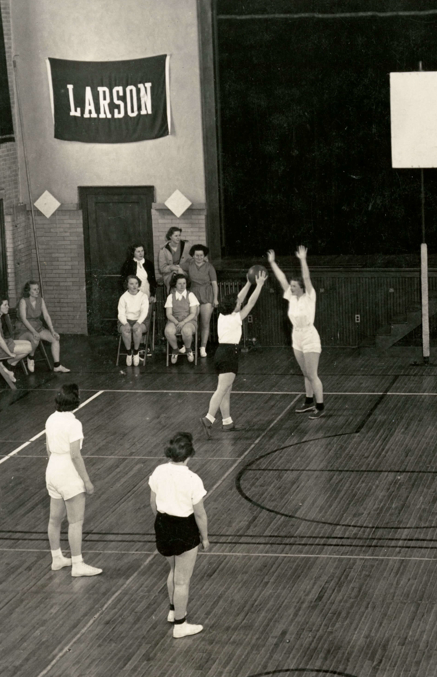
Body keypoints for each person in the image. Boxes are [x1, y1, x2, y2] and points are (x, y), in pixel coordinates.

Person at [149, 432, 211, 639]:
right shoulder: (193, 479)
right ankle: (180, 625)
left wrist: (161, 523)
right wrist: (205, 538)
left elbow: (153, 503)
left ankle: (173, 611)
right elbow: (200, 513)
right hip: (184, 528)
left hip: (162, 523)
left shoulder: (158, 471)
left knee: (174, 570)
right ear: (189, 456)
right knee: (183, 580)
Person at [45, 384, 101, 577]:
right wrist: (86, 481)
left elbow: (48, 448)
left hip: (52, 469)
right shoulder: (74, 423)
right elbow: (75, 455)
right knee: (75, 521)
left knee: (54, 519)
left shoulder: (51, 418)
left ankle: (57, 558)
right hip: (67, 471)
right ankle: (77, 564)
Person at [203, 270, 267, 431]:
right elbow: (251, 302)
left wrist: (248, 283)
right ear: (234, 307)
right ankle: (208, 418)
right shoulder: (235, 318)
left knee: (225, 389)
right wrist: (258, 286)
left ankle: (227, 421)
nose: (241, 304)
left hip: (219, 354)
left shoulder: (223, 316)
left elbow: (239, 298)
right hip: (229, 354)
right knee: (222, 389)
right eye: (238, 304)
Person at [268, 246, 326, 418]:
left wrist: (302, 259)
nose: (290, 288)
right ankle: (308, 402)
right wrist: (272, 262)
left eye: (294, 286)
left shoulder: (310, 296)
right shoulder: (291, 297)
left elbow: (306, 277)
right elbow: (281, 279)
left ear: (301, 287)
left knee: (312, 374)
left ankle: (320, 406)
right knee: (305, 373)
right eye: (291, 286)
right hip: (297, 336)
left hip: (309, 336)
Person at [17, 281, 70, 373]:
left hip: (37, 326)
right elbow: (24, 319)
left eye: (38, 289)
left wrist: (52, 331)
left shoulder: (40, 300)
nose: (37, 291)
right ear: (28, 291)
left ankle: (57, 366)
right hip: (24, 327)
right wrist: (34, 332)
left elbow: (46, 316)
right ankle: (31, 357)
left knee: (55, 339)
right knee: (35, 337)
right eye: (34, 289)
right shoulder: (23, 301)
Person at [0, 294, 32, 382]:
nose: (8, 307)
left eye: (7, 304)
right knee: (29, 348)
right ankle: (10, 365)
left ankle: (9, 366)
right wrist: (9, 353)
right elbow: (0, 339)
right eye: (5, 305)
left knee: (29, 343)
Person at [186, 244, 218, 358]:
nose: (199, 257)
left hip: (207, 294)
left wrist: (215, 298)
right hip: (193, 294)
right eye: (197, 255)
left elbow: (214, 284)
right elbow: (178, 269)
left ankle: (203, 347)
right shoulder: (189, 265)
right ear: (193, 256)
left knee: (205, 323)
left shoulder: (209, 267)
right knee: (193, 322)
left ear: (204, 256)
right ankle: (190, 346)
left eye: (201, 255)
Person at [164, 274, 200, 364]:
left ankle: (188, 349)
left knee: (187, 331)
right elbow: (168, 314)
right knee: (168, 331)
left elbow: (193, 313)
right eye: (179, 283)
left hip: (189, 321)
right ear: (175, 284)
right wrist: (177, 322)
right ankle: (175, 349)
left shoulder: (190, 295)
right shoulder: (170, 297)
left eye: (184, 283)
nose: (182, 286)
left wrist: (183, 322)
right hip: (174, 320)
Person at [118, 275, 150, 366]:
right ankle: (129, 353)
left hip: (141, 320)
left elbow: (144, 312)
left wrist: (138, 322)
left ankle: (136, 352)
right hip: (126, 320)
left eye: (136, 283)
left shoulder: (143, 296)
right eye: (131, 284)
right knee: (125, 330)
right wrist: (125, 323)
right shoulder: (123, 297)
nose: (134, 286)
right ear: (127, 285)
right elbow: (121, 314)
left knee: (137, 329)